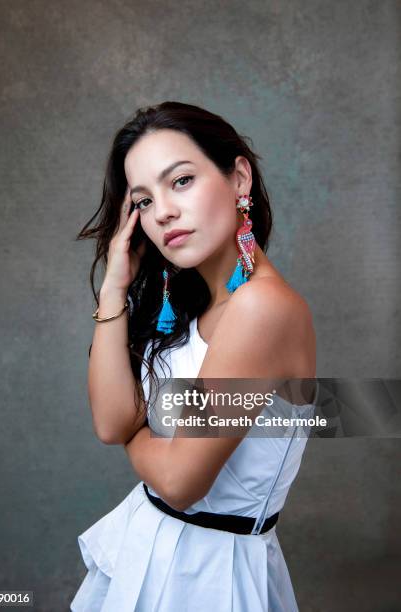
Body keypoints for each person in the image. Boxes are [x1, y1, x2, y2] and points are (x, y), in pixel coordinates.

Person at [70, 101, 317, 611]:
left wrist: (137, 434)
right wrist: (114, 287)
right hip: (148, 550)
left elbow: (181, 481)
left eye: (180, 181)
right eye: (142, 200)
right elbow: (109, 422)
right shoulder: (186, 309)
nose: (161, 212)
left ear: (239, 178)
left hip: (209, 579)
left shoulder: (262, 308)